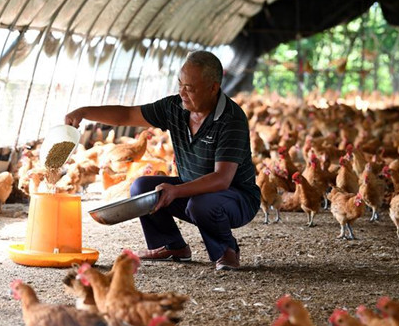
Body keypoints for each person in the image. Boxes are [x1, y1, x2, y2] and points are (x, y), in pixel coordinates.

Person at [65, 51, 260, 270]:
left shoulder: (231, 119)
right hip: (194, 188)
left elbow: (222, 179)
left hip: (236, 197)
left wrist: (176, 191)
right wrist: (84, 112)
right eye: (180, 84)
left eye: (190, 88)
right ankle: (170, 245)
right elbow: (127, 115)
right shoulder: (174, 107)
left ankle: (226, 250)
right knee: (141, 187)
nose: (182, 93)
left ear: (213, 88)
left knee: (200, 204)